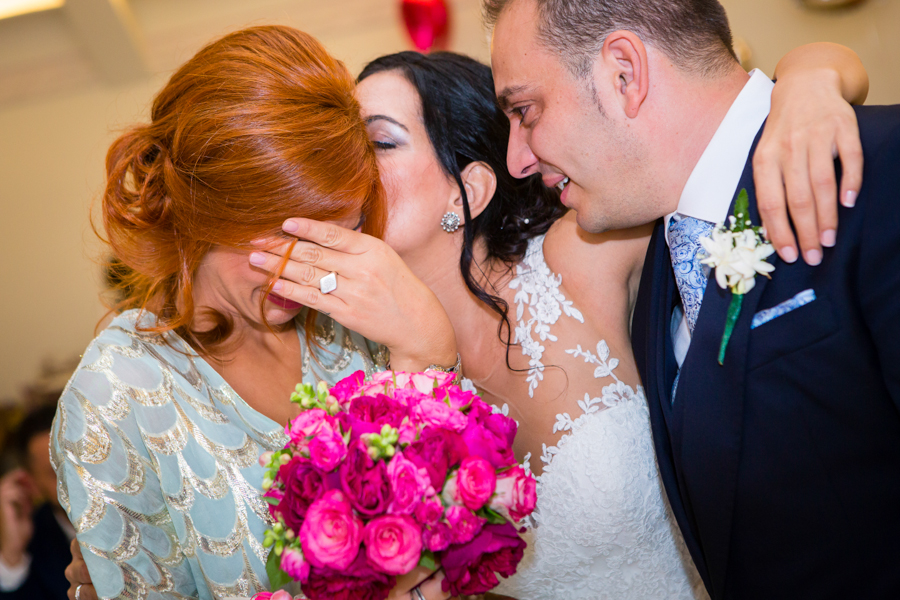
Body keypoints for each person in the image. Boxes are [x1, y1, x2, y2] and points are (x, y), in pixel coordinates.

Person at [248, 43, 868, 599]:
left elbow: (709, 140)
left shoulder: (580, 256)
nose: (350, 169)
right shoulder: (362, 380)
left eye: (378, 143)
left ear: (472, 188)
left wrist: (811, 81)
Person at [484, 0, 900, 598]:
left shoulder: (879, 169)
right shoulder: (656, 260)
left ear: (623, 73)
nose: (517, 159)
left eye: (526, 110)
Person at [51, 25, 457, 600]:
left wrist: (429, 355)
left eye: (335, 236)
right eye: (280, 237)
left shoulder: (352, 329)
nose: (310, 269)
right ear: (204, 211)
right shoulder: (114, 396)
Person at [0, 406, 73, 600]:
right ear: (30, 482)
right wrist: (12, 555)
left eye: (78, 463)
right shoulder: (34, 543)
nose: (76, 480)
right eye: (56, 472)